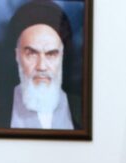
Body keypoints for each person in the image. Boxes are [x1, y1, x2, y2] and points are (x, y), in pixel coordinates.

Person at [8, 0, 76, 130]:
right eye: (32, 54)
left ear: (62, 57)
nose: (42, 66)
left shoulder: (80, 109)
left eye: (51, 54)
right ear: (17, 56)